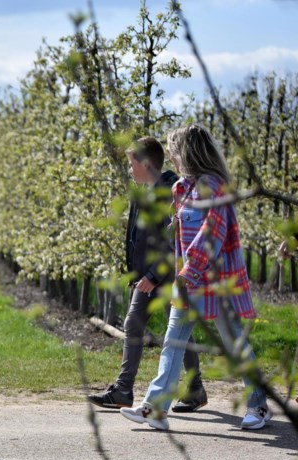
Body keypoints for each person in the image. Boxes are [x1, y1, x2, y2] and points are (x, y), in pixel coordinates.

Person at [120, 124, 271, 431]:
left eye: (174, 150)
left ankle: (259, 406)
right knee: (173, 343)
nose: (171, 158)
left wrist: (190, 269)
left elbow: (212, 233)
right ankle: (155, 408)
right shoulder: (182, 189)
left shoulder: (214, 187)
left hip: (216, 283)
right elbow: (183, 236)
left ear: (187, 152)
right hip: (187, 284)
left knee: (235, 344)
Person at [88, 137, 207, 412]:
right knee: (166, 329)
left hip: (168, 274)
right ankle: (188, 388)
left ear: (144, 163)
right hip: (150, 275)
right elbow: (136, 237)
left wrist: (153, 275)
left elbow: (173, 239)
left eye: (132, 163)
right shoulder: (142, 191)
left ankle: (129, 389)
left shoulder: (171, 190)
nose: (129, 169)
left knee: (164, 329)